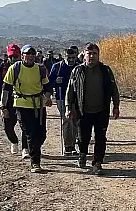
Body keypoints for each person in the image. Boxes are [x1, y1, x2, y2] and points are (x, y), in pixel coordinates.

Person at [66, 43, 121, 175]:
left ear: (98, 55)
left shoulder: (106, 70)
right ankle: (83, 154)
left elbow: (114, 90)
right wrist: (68, 107)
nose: (91, 56)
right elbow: (70, 91)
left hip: (101, 111)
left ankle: (97, 163)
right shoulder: (77, 71)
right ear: (84, 55)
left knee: (100, 138)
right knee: (83, 137)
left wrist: (116, 106)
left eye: (94, 53)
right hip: (83, 111)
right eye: (89, 53)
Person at [0, 44, 52, 172]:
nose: (30, 57)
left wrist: (47, 98)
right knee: (30, 133)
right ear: (22, 55)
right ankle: (35, 163)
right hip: (21, 105)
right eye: (27, 54)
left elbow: (47, 87)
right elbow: (6, 89)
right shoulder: (15, 68)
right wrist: (3, 106)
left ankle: (35, 151)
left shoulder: (40, 69)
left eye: (32, 54)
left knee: (41, 134)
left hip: (38, 105)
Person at [48, 46, 80, 156]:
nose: (71, 60)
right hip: (61, 97)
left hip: (76, 98)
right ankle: (68, 146)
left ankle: (73, 144)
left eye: (73, 57)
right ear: (64, 57)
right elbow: (50, 82)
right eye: (69, 58)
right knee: (67, 120)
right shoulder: (57, 67)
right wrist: (55, 83)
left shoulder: (78, 66)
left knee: (75, 121)